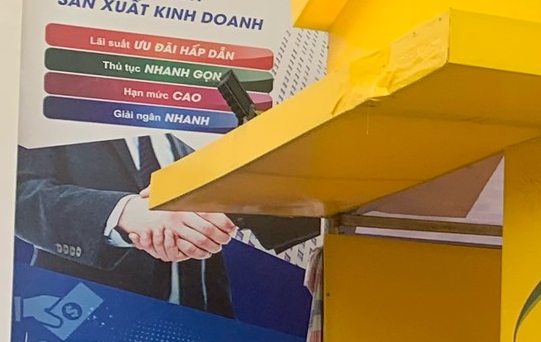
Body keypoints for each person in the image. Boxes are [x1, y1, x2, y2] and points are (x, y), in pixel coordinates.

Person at [16, 134, 320, 319]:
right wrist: (126, 213)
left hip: (206, 334)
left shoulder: (187, 143)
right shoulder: (55, 119)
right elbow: (18, 195)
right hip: (97, 326)